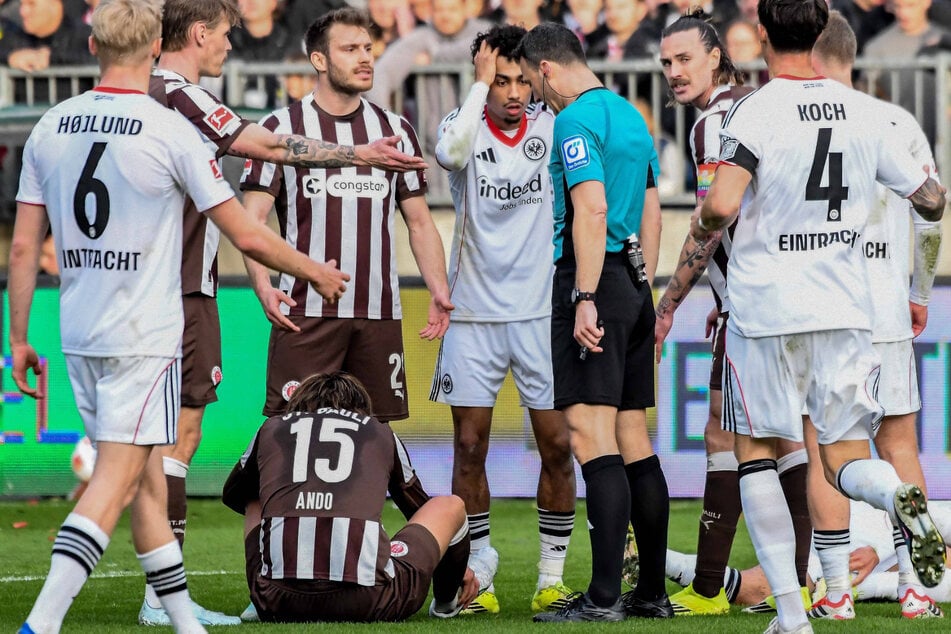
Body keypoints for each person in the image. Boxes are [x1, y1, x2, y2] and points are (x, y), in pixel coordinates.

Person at [8, 1, 351, 632]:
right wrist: (315, 271)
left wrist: (20, 335)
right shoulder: (170, 129)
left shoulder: (51, 123)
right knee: (116, 481)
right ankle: (41, 623)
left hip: (78, 330)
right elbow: (245, 234)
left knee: (143, 480)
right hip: (145, 331)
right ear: (153, 50)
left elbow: (25, 247)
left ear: (92, 47)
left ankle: (179, 619)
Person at [141, 0, 428, 626]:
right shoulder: (183, 95)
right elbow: (259, 176)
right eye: (225, 35)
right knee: (191, 440)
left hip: (144, 289)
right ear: (199, 33)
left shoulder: (106, 105)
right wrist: (298, 271)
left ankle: (165, 594)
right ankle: (167, 596)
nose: (229, 47)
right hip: (194, 291)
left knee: (143, 446)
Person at [692, 1, 946, 633]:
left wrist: (702, 223)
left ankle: (791, 617)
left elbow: (721, 205)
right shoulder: (867, 113)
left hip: (767, 311)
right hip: (846, 310)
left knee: (755, 453)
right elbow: (931, 201)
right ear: (821, 25)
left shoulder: (754, 109)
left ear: (762, 33)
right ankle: (893, 494)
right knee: (843, 455)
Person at [654, 10, 813, 617]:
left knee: (727, 436)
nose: (674, 72)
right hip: (793, 294)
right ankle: (805, 580)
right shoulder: (756, 105)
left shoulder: (714, 124)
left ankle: (709, 589)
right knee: (786, 436)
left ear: (716, 57)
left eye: (684, 59)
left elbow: (712, 223)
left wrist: (669, 304)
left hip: (751, 302)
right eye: (666, 63)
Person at [516, 22, 670, 622]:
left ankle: (603, 597)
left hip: (593, 279)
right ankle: (650, 593)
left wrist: (585, 295)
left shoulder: (574, 121)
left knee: (588, 435)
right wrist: (641, 287)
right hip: (633, 280)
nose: (534, 96)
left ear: (546, 69)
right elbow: (652, 212)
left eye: (532, 83)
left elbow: (592, 207)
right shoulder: (632, 117)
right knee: (633, 439)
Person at [241, 8, 453, 427]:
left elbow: (419, 222)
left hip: (377, 313)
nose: (365, 58)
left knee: (374, 435)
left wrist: (438, 288)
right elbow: (253, 219)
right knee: (292, 430)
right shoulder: (279, 128)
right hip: (304, 310)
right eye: (351, 49)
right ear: (319, 59)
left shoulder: (395, 130)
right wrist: (263, 286)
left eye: (368, 48)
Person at [430, 23, 577, 616]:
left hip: (542, 313)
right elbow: (449, 156)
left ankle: (551, 578)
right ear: (483, 80)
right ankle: (478, 579)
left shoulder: (553, 125)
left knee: (558, 446)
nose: (513, 92)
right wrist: (477, 85)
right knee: (469, 447)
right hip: (473, 314)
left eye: (521, 80)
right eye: (500, 81)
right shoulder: (460, 125)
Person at [805, 10, 944, 621]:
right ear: (852, 55)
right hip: (886, 307)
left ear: (806, 52)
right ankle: (916, 588)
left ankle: (837, 592)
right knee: (899, 446)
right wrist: (921, 291)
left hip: (822, 310)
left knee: (826, 449)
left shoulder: (793, 120)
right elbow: (931, 213)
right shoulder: (896, 121)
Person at [221, 371, 478, 622]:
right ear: (360, 407)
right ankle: (446, 604)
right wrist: (454, 564)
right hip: (371, 600)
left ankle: (262, 591)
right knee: (450, 505)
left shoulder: (271, 427)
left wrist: (294, 499)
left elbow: (233, 494)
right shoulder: (379, 431)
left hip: (275, 600)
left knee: (253, 494)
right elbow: (415, 503)